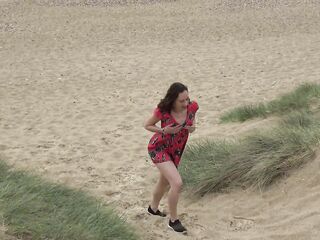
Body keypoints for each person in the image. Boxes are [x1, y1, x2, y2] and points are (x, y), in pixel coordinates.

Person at [144, 82, 199, 233]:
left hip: (176, 150)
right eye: (182, 101)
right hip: (158, 148)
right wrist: (164, 130)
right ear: (173, 99)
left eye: (187, 99)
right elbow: (147, 125)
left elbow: (193, 125)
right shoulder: (163, 111)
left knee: (164, 181)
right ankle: (173, 221)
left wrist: (192, 127)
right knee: (177, 182)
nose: (186, 103)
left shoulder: (192, 107)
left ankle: (153, 208)